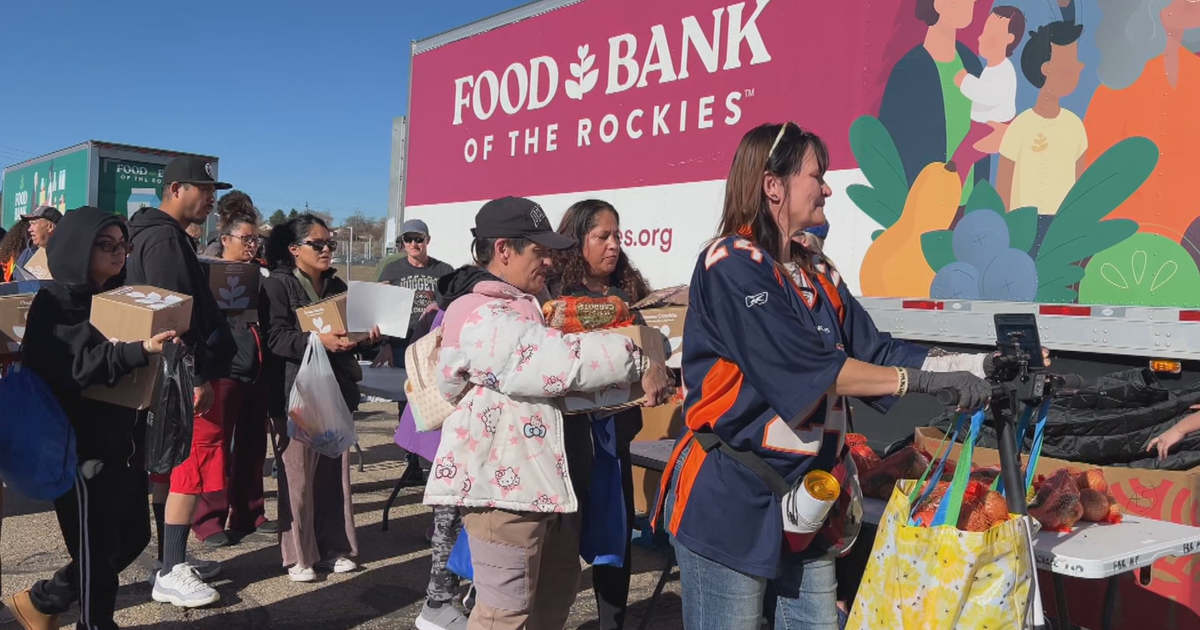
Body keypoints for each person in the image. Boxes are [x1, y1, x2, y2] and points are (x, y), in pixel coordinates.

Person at [652, 123, 993, 630]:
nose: (828, 188)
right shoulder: (730, 264)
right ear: (774, 185)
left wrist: (976, 364)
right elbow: (808, 370)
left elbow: (878, 349)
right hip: (733, 495)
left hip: (810, 500)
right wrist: (915, 384)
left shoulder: (816, 270)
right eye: (818, 176)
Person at [424, 196, 673, 630]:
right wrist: (639, 354)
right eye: (539, 252)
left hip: (547, 488)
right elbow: (552, 362)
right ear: (504, 249)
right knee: (503, 616)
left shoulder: (527, 303)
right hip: (505, 496)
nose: (550, 263)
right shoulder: (480, 311)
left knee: (551, 603)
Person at [6, 207, 178, 630]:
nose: (118, 254)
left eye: (123, 245)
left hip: (123, 438)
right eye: (107, 245)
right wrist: (139, 350)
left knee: (133, 536)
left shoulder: (123, 298)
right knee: (96, 550)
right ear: (79, 247)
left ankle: (47, 599)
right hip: (76, 444)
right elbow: (74, 368)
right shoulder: (56, 300)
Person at [126, 155, 236, 608]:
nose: (211, 199)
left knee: (168, 467)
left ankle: (170, 558)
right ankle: (171, 569)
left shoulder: (150, 235)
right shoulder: (166, 240)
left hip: (164, 371)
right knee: (188, 467)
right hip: (181, 372)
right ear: (175, 190)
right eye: (204, 190)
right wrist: (196, 373)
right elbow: (174, 317)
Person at [546, 199, 651, 630]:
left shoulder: (630, 294)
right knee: (558, 545)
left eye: (617, 236)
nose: (613, 246)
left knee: (614, 540)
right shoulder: (550, 296)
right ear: (577, 241)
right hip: (563, 441)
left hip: (613, 436)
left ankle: (613, 623)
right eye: (602, 236)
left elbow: (653, 349)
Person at [259, 214, 380, 582]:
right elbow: (275, 338)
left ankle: (335, 548)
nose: (327, 249)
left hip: (335, 392)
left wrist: (367, 338)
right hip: (294, 393)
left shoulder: (337, 285)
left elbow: (349, 335)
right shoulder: (277, 287)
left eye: (330, 244)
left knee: (333, 477)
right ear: (295, 249)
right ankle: (299, 555)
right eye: (318, 244)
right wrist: (316, 340)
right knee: (296, 480)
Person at [190, 202, 279, 548]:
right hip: (224, 368)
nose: (252, 245)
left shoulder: (262, 274)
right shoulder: (206, 271)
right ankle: (208, 519)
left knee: (253, 444)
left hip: (256, 368)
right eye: (246, 238)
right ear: (225, 239)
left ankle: (249, 512)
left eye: (256, 239)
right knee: (215, 446)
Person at [997, 20, 1087, 255]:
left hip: (1061, 227)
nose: (1080, 66)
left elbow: (1080, 188)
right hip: (1021, 225)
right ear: (1046, 68)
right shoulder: (1020, 127)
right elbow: (1003, 190)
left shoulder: (1075, 127)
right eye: (1071, 61)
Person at [951, 6, 1026, 172]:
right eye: (983, 32)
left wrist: (965, 80)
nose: (980, 38)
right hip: (981, 126)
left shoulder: (1004, 71)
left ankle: (953, 185)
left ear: (1009, 39)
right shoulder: (992, 68)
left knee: (960, 161)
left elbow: (988, 95)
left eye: (989, 33)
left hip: (990, 127)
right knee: (961, 159)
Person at [375, 219, 455, 366]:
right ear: (403, 242)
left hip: (433, 345)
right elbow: (382, 309)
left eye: (418, 239)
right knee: (400, 387)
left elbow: (453, 308)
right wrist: (385, 344)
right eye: (408, 239)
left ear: (427, 240)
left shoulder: (445, 270)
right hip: (400, 345)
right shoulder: (391, 269)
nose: (413, 244)